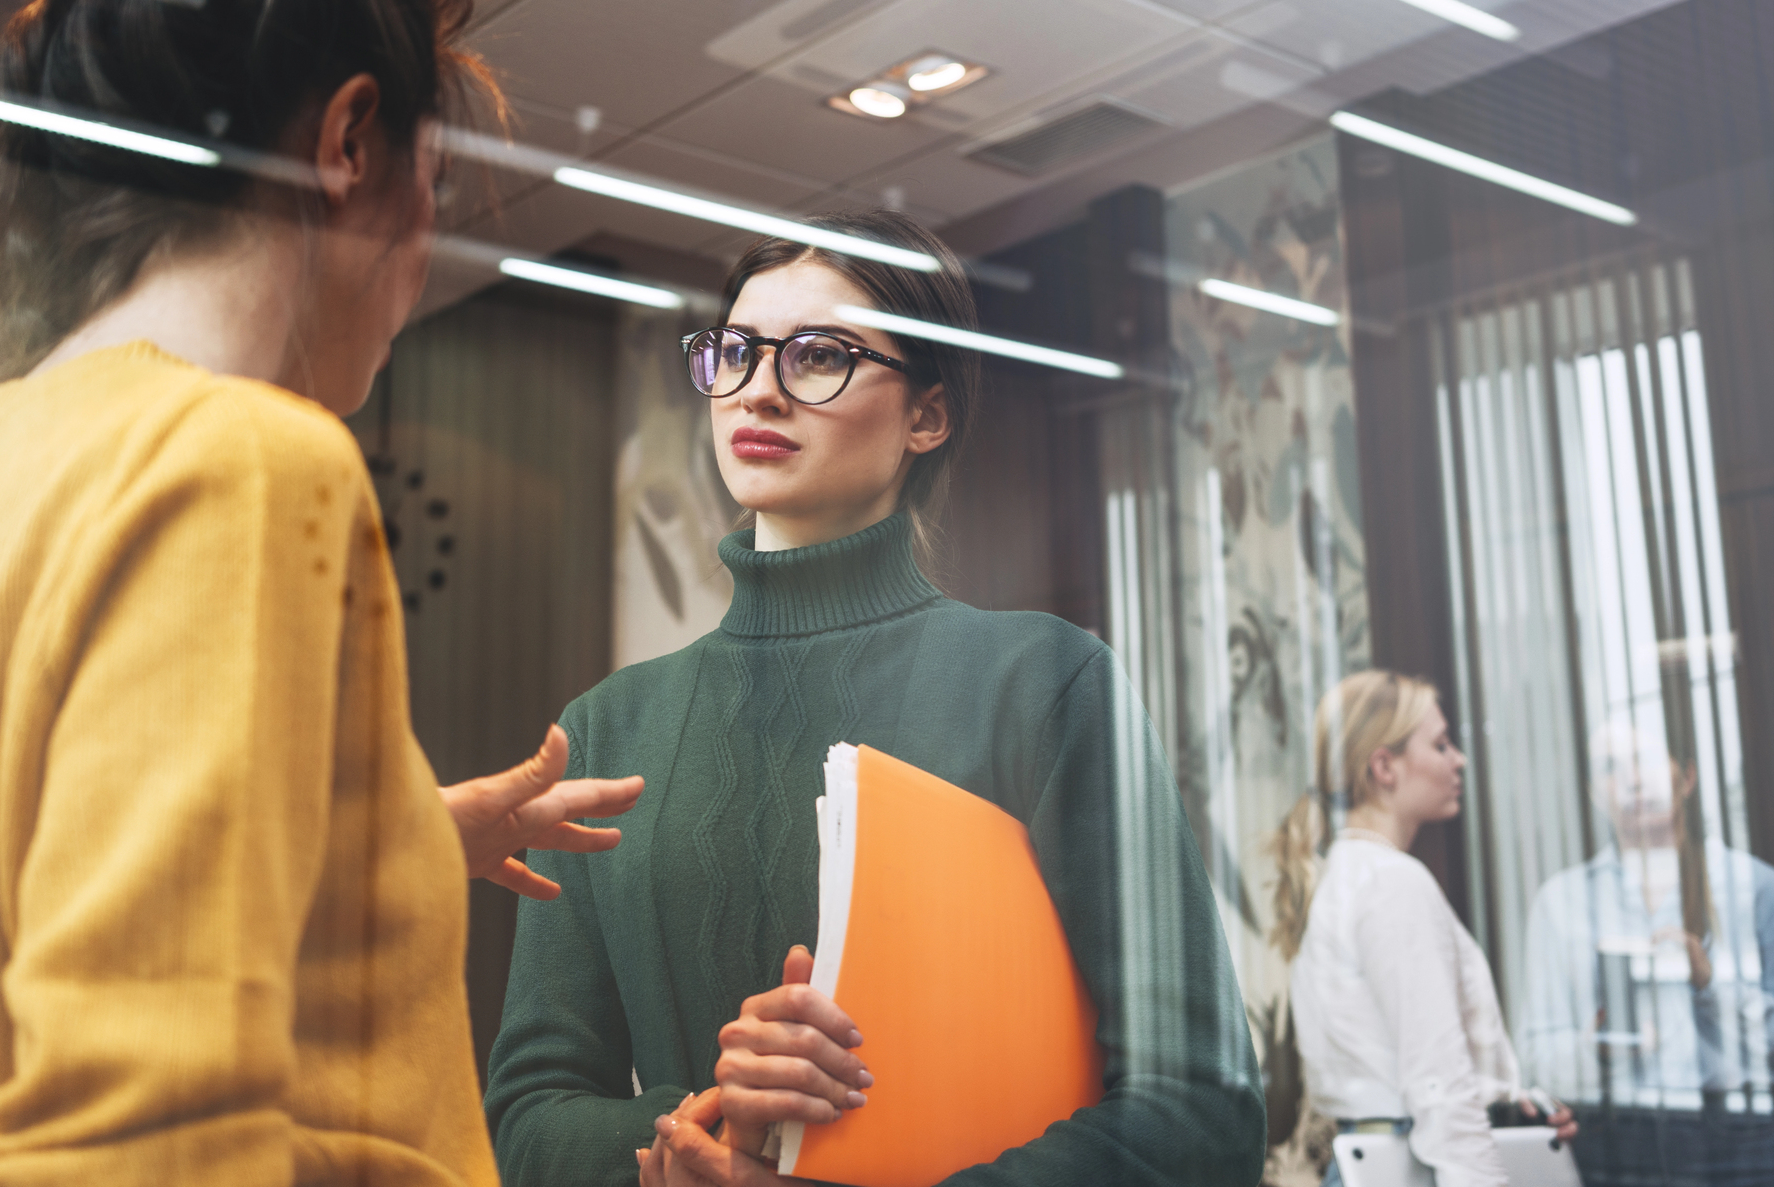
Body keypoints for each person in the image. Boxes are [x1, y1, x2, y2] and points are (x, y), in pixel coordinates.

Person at [0, 0, 640, 1184]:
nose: (420, 253)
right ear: (352, 143)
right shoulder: (244, 460)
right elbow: (135, 1146)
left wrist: (392, 841)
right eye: (434, 179)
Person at [483, 209, 1267, 1187]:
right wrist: (695, 1131)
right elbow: (526, 1111)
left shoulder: (1043, 682)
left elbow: (1201, 1102)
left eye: (818, 356)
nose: (758, 387)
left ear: (925, 415)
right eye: (734, 350)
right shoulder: (607, 722)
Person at [1274, 671, 1576, 1187]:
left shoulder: (1343, 877)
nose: (1457, 758)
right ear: (1384, 766)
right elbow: (1437, 1082)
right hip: (1412, 1167)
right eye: (1440, 744)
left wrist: (1506, 1099)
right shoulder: (1393, 884)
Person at [1517, 721, 1774, 1187]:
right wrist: (1597, 1049)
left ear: (1688, 777)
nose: (1633, 780)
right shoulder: (1561, 903)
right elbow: (1535, 1062)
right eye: (1610, 768)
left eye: (1649, 760)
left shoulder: (1751, 886)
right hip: (1613, 1147)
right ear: (1595, 793)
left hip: (1745, 1145)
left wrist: (1709, 986)